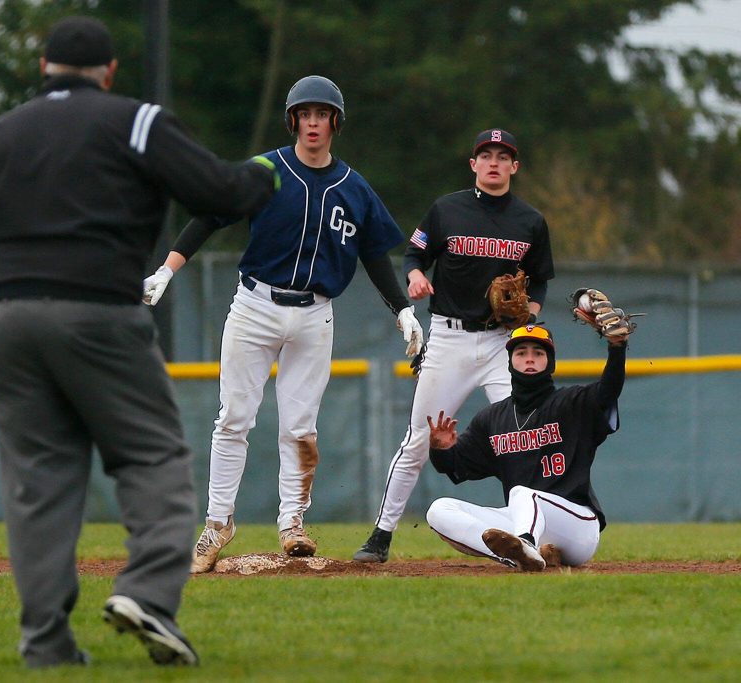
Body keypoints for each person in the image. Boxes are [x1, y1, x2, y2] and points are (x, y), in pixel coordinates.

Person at [0, 16, 278, 668]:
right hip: (97, 310)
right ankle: (149, 591)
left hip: (6, 319)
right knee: (152, 458)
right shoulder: (136, 121)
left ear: (44, 68)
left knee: (38, 484)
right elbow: (218, 191)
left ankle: (46, 643)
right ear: (109, 72)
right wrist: (265, 176)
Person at [141, 75, 423, 574]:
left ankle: (292, 524)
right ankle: (216, 523)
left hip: (315, 314)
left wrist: (401, 309)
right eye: (305, 114)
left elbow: (376, 255)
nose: (313, 123)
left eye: (322, 115)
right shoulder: (266, 170)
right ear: (292, 120)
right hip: (255, 306)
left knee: (300, 427)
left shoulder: (354, 188)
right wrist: (167, 269)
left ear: (335, 122)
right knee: (233, 418)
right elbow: (209, 216)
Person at [354, 128, 555, 563]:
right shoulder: (447, 209)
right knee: (418, 440)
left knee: (525, 437)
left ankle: (527, 537)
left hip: (504, 344)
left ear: (514, 167)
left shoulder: (530, 221)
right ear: (473, 164)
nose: (494, 162)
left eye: (503, 156)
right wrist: (414, 276)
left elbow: (539, 277)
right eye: (486, 155)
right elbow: (413, 254)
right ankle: (382, 535)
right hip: (449, 339)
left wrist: (531, 313)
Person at [423, 323, 626, 570]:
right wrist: (441, 449)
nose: (529, 359)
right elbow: (455, 465)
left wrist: (617, 348)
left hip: (577, 526)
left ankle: (525, 545)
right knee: (439, 509)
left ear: (550, 362)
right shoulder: (492, 419)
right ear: (510, 362)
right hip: (525, 520)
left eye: (538, 353)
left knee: (522, 493)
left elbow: (608, 391)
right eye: (521, 353)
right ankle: (520, 556)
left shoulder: (571, 403)